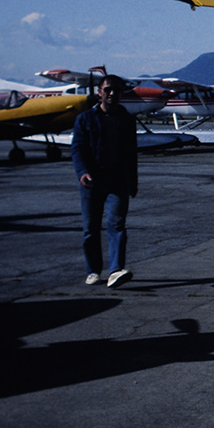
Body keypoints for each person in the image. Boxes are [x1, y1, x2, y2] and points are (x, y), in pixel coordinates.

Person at [72, 74, 138, 287]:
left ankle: (115, 270)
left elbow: (131, 153)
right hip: (92, 181)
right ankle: (92, 270)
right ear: (99, 92)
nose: (112, 94)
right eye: (108, 89)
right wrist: (82, 172)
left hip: (118, 180)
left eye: (116, 90)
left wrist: (133, 181)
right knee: (90, 228)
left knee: (117, 224)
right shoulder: (85, 119)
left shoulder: (126, 119)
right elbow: (78, 149)